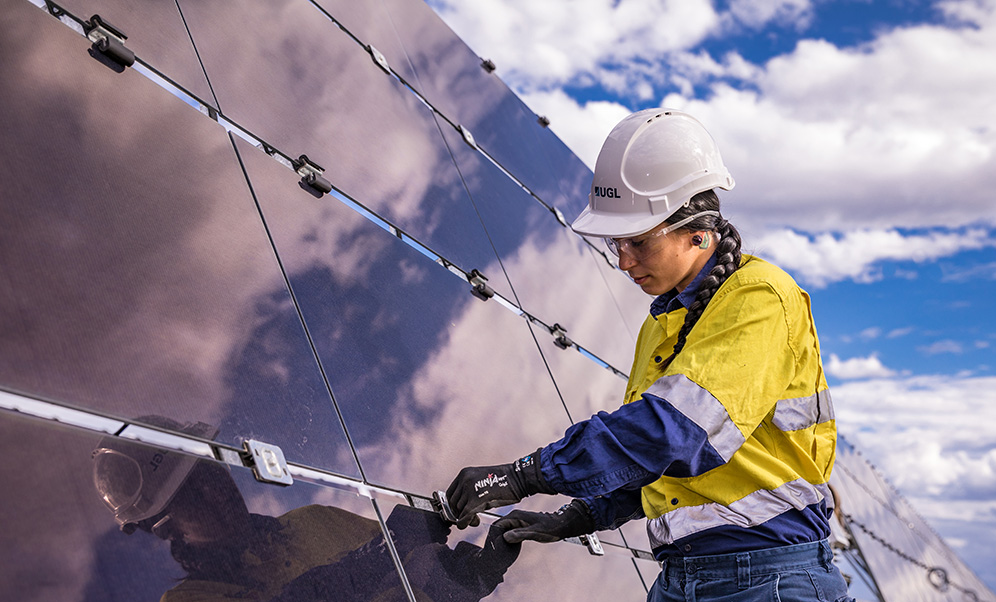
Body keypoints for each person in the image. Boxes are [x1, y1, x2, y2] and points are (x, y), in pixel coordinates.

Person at [443, 109, 852, 602]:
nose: (623, 260)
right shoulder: (661, 324)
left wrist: (526, 475)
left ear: (699, 232)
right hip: (683, 578)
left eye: (638, 241)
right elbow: (659, 467)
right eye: (617, 242)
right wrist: (579, 515)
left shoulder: (760, 299)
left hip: (767, 580)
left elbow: (673, 434)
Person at [92, 416, 520, 602]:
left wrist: (473, 576)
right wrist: (386, 549)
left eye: (212, 473)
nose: (217, 491)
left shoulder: (317, 521)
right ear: (167, 528)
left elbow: (414, 582)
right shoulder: (189, 601)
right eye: (194, 494)